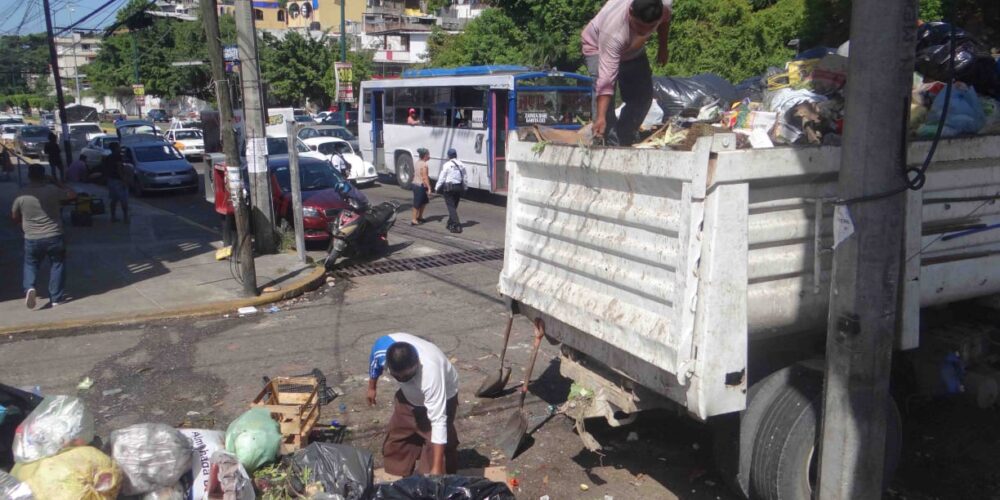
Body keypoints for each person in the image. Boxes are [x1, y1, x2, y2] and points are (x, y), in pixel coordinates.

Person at [367, 333, 460, 476]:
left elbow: (438, 422)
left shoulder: (430, 371)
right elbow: (374, 363)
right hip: (408, 397)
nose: (404, 379)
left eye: (408, 376)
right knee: (397, 437)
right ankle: (403, 473)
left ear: (417, 363)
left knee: (433, 444)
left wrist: (436, 469)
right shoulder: (381, 350)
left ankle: (435, 475)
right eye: (399, 377)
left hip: (444, 394)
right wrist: (372, 387)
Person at [582, 0, 672, 146]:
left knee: (642, 99)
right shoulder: (613, 33)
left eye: (649, 28)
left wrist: (663, 47)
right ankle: (603, 142)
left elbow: (665, 20)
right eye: (639, 26)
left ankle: (622, 140)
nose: (642, 32)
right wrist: (601, 117)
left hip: (633, 49)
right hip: (598, 46)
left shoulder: (664, 5)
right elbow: (606, 81)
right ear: (630, 12)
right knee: (605, 109)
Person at [11, 165, 76, 309]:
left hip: (32, 237)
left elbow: (15, 216)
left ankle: (29, 287)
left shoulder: (21, 194)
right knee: (57, 264)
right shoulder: (52, 190)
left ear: (29, 176)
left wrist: (22, 226)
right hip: (54, 234)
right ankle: (56, 298)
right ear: (44, 176)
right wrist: (57, 182)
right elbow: (72, 194)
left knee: (30, 264)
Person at [434, 148, 467, 234]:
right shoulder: (461, 164)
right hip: (458, 187)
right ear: (456, 155)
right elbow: (465, 177)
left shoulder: (447, 165)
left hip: (449, 188)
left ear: (449, 156)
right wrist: (465, 187)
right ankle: (450, 223)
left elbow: (442, 177)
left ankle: (456, 224)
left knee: (451, 207)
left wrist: (437, 187)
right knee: (454, 206)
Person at [102, 143, 129, 223]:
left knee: (114, 199)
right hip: (118, 180)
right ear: (116, 148)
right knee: (123, 199)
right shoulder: (118, 156)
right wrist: (123, 179)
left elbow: (105, 168)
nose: (120, 148)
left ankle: (113, 217)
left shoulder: (108, 157)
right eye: (119, 147)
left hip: (111, 180)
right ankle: (125, 218)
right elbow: (119, 168)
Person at [411, 148, 432, 225]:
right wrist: (429, 188)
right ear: (425, 155)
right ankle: (414, 219)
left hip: (415, 184)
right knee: (417, 203)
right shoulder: (424, 164)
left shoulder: (417, 162)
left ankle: (420, 216)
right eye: (428, 155)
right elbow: (425, 177)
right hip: (419, 186)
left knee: (424, 201)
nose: (429, 156)